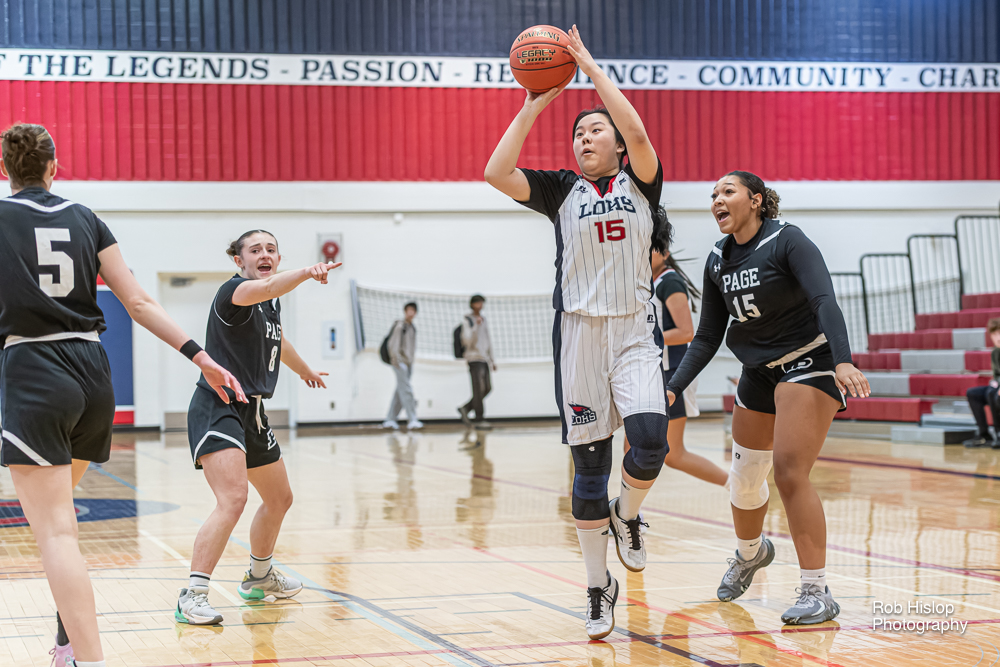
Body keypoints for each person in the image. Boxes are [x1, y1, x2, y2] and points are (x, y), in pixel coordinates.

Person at [0, 123, 245, 667]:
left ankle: (89, 660)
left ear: (5, 170)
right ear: (53, 167)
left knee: (56, 534)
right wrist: (201, 357)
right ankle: (68, 642)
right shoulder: (86, 217)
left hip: (35, 370)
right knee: (62, 521)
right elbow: (136, 302)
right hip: (93, 373)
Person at [485, 25, 668, 640]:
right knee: (588, 472)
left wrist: (587, 67)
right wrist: (534, 104)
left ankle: (628, 515)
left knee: (651, 443)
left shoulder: (642, 181)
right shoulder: (560, 189)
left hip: (635, 331)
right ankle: (597, 587)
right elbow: (495, 171)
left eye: (594, 130)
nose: (584, 137)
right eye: (578, 133)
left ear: (616, 143)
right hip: (579, 336)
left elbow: (638, 131)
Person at [664, 170, 871, 625]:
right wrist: (673, 386)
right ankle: (750, 553)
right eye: (713, 194)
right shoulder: (717, 258)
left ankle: (817, 591)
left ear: (756, 200)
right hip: (758, 370)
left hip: (808, 360)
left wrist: (843, 361)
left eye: (728, 191)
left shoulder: (788, 240)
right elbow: (707, 336)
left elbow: (824, 300)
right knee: (744, 479)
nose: (717, 199)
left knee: (789, 471)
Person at [179, 230, 337, 625]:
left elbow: (278, 341)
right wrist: (308, 272)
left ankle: (259, 577)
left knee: (280, 498)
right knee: (233, 498)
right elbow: (267, 286)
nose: (264, 254)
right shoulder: (234, 292)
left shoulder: (270, 303)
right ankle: (192, 596)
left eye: (271, 249)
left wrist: (305, 371)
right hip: (218, 406)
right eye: (255, 250)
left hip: (253, 410)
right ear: (239, 260)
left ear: (277, 257)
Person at [631, 206, 729, 489]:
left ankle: (739, 487)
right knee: (632, 446)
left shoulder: (670, 281)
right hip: (650, 372)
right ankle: (627, 509)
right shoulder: (647, 284)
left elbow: (686, 332)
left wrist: (643, 339)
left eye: (648, 250)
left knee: (673, 453)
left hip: (672, 373)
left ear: (663, 252)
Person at [458, 294, 496, 429]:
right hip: (474, 358)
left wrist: (492, 360)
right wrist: (475, 326)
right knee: (478, 390)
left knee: (487, 388)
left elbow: (488, 340)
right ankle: (479, 419)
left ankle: (466, 408)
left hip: (484, 358)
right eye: (478, 303)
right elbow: (467, 341)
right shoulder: (467, 320)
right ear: (472, 304)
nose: (480, 305)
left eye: (482, 303)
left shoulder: (484, 320)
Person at [383, 302, 423, 431]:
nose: (410, 313)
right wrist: (397, 361)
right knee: (406, 391)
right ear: (405, 311)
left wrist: (409, 362)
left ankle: (390, 419)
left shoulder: (412, 327)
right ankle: (412, 419)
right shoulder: (400, 326)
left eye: (413, 311)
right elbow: (393, 345)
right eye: (408, 310)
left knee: (400, 391)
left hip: (408, 363)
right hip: (400, 363)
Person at [963, 318, 1000, 448]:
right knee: (973, 393)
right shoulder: (995, 352)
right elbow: (997, 376)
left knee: (992, 393)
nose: (998, 337)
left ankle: (998, 433)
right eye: (994, 334)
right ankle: (984, 435)